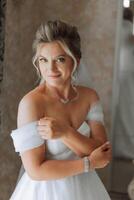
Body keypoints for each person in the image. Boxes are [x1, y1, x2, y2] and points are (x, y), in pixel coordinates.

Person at [10, 20, 112, 200]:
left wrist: (65, 132)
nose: (50, 69)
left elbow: (102, 153)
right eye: (43, 60)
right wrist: (88, 164)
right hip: (45, 193)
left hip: (87, 190)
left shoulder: (90, 97)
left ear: (76, 61)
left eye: (60, 59)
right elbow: (36, 170)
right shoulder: (32, 103)